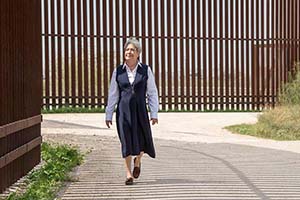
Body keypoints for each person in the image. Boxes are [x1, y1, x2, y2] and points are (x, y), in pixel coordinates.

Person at [105, 37, 159, 185]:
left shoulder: (146, 70)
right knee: (126, 141)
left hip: (141, 110)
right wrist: (109, 114)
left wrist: (154, 113)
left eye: (132, 50)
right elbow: (113, 94)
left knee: (143, 140)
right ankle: (128, 174)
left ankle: (138, 160)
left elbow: (152, 93)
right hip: (123, 112)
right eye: (127, 49)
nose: (129, 52)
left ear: (138, 53)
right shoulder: (118, 71)